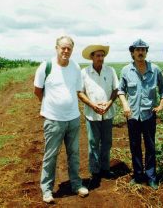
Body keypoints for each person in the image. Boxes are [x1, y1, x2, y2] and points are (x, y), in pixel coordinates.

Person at [34, 36, 89, 203]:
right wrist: (49, 108)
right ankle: (47, 190)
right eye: (63, 48)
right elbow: (37, 91)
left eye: (69, 49)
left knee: (74, 154)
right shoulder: (46, 67)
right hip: (54, 120)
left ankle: (76, 184)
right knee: (51, 156)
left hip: (73, 118)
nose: (66, 51)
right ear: (56, 48)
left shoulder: (75, 67)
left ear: (72, 50)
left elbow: (78, 90)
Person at [118, 39, 163, 190]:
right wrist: (125, 104)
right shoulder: (126, 70)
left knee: (150, 146)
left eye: (143, 49)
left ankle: (151, 177)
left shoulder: (155, 69)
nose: (140, 52)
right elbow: (121, 91)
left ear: (146, 52)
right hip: (132, 115)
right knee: (135, 146)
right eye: (137, 50)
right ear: (132, 52)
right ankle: (138, 175)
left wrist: (161, 104)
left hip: (148, 115)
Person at [78, 44, 119, 186]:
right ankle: (95, 172)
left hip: (108, 113)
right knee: (93, 143)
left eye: (102, 55)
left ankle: (105, 168)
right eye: (98, 56)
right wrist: (93, 105)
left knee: (107, 142)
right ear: (92, 57)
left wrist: (108, 103)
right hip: (92, 114)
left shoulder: (110, 70)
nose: (101, 58)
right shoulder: (84, 72)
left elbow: (116, 90)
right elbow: (80, 92)